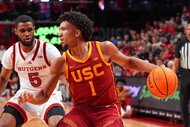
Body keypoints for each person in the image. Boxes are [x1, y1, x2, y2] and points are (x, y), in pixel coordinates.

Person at [18, 11, 159, 127]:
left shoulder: (104, 48)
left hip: (107, 109)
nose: (59, 33)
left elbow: (129, 62)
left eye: (63, 29)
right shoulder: (60, 62)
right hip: (81, 112)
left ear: (77, 32)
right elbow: (44, 95)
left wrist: (157, 69)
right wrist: (33, 98)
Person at [0, 15, 65, 127]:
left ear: (34, 29)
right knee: (4, 124)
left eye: (29, 30)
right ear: (15, 31)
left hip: (49, 96)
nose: (27, 33)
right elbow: (3, 79)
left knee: (58, 124)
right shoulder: (11, 53)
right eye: (22, 30)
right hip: (24, 97)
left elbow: (63, 75)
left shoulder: (49, 50)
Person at [173, 22, 190, 127]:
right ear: (185, 31)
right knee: (184, 103)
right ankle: (187, 125)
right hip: (185, 74)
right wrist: (173, 76)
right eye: (188, 29)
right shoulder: (181, 43)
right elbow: (176, 61)